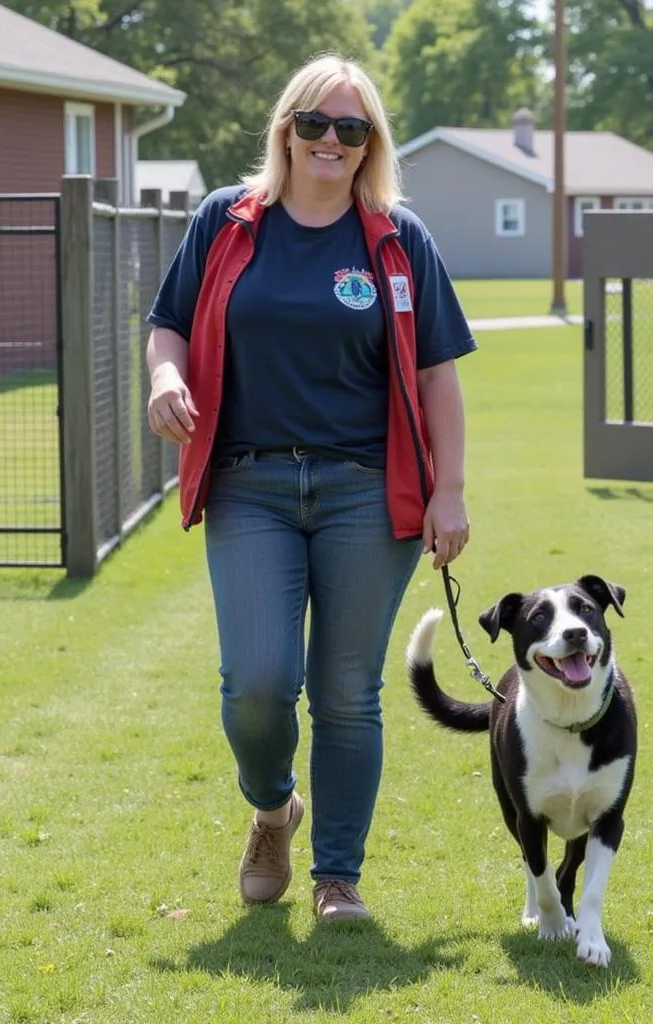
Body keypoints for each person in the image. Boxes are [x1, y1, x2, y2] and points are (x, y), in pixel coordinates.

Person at [144, 51, 476, 923]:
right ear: (286, 128)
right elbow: (168, 326)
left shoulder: (401, 240)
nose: (331, 140)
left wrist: (452, 492)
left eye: (351, 127)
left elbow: (440, 373)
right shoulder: (226, 220)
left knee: (344, 692)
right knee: (256, 683)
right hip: (250, 485)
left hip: (368, 492)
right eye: (315, 123)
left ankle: (337, 878)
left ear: (370, 145)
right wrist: (163, 381)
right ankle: (270, 807)